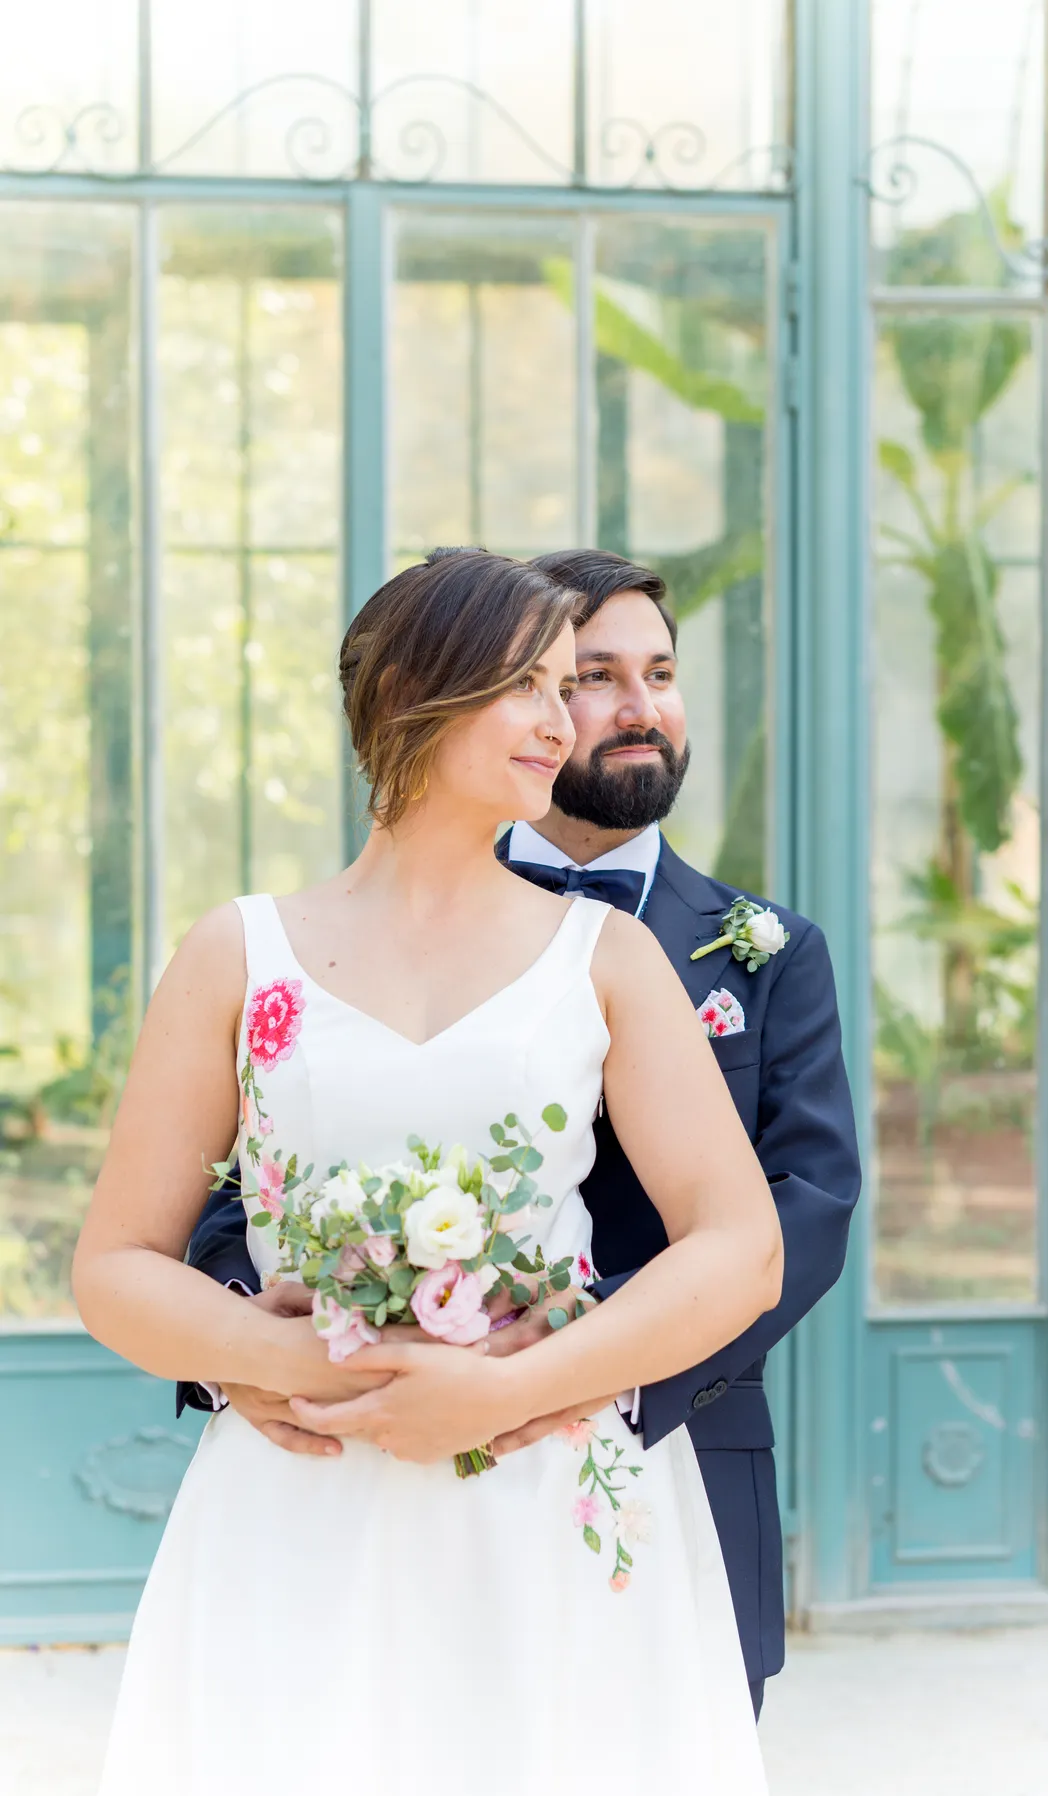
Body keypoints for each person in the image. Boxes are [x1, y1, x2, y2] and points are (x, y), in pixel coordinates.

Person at [74, 550, 782, 1795]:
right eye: (528, 685)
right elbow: (115, 1264)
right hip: (299, 1499)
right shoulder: (237, 952)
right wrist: (301, 1361)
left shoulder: (607, 955)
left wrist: (511, 1388)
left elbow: (743, 1246)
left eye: (566, 688)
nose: (562, 721)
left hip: (549, 1497)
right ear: (411, 691)